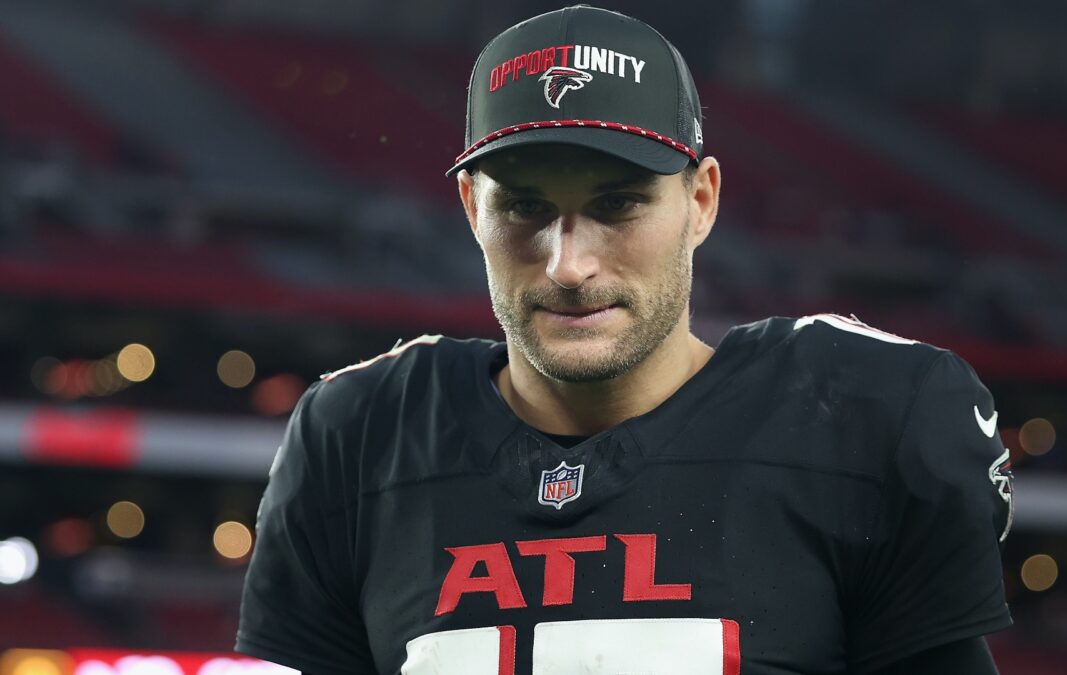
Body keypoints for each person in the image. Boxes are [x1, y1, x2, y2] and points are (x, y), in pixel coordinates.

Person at [236, 5, 1014, 674]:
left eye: (617, 204)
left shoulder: (857, 422)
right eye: (525, 207)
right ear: (472, 207)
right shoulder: (358, 439)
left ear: (701, 201)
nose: (568, 264)